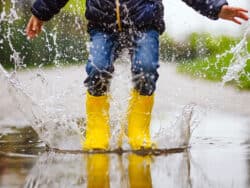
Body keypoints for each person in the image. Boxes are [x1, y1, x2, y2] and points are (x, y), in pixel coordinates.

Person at [26, 0, 248, 150]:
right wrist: (41, 11)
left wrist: (216, 7)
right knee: (98, 69)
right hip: (102, 26)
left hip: (145, 24)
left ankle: (138, 128)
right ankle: (97, 129)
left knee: (146, 69)